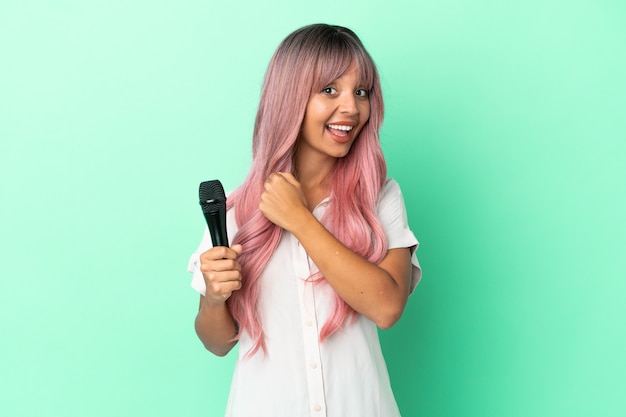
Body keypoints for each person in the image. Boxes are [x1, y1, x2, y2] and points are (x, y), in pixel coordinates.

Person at [188, 23, 421, 417]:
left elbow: (387, 307)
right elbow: (217, 342)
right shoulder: (235, 212)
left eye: (360, 92)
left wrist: (300, 219)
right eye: (330, 89)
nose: (350, 107)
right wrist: (214, 299)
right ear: (290, 97)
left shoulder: (379, 197)